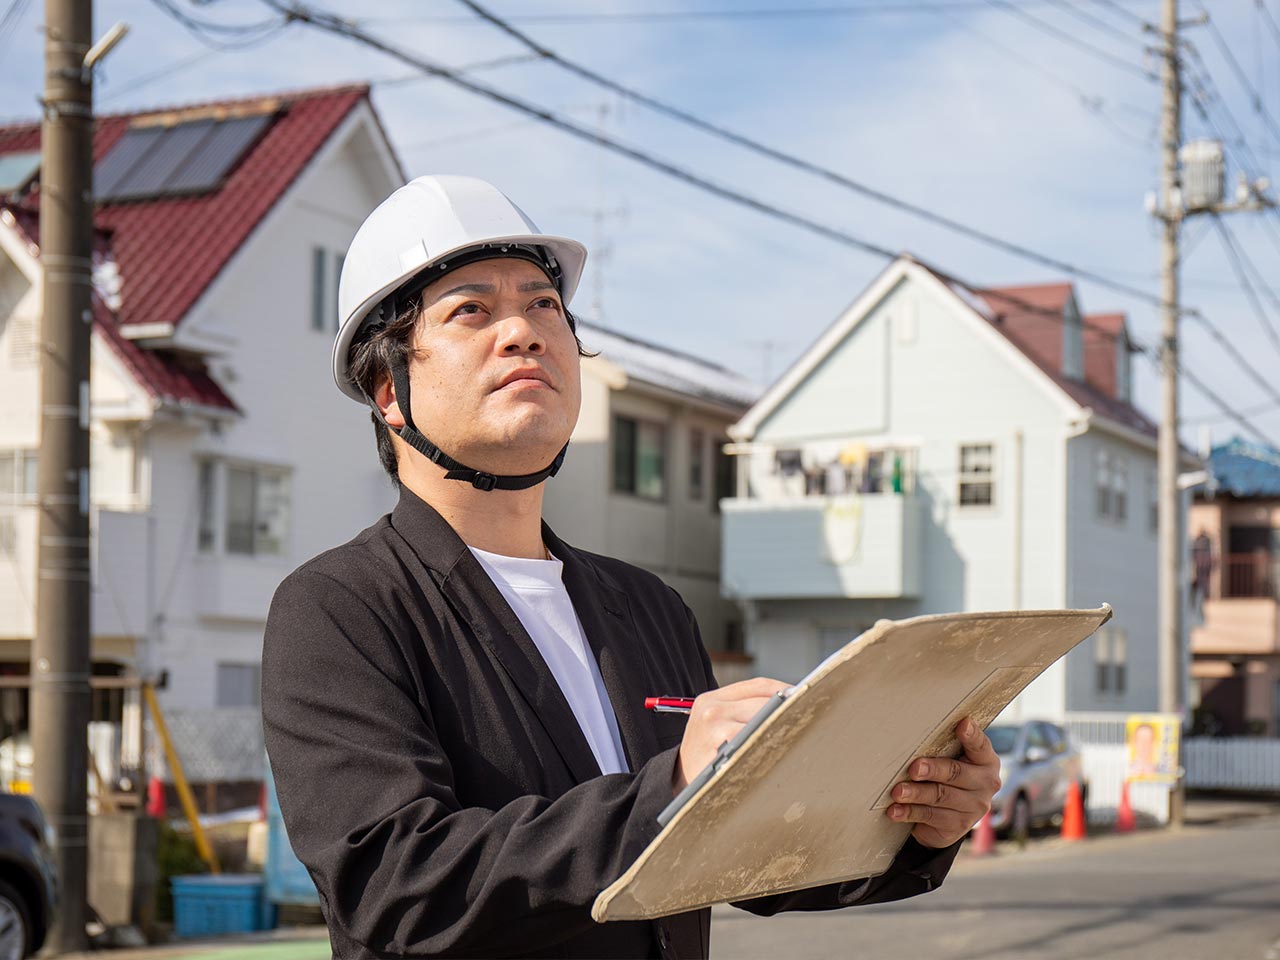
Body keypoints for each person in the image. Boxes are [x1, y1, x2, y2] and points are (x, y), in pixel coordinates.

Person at [261, 175, 1001, 960]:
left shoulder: (645, 605)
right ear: (389, 391)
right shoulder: (341, 608)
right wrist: (671, 787)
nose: (525, 332)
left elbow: (743, 853)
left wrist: (915, 824)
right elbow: (392, 883)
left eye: (544, 304)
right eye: (472, 310)